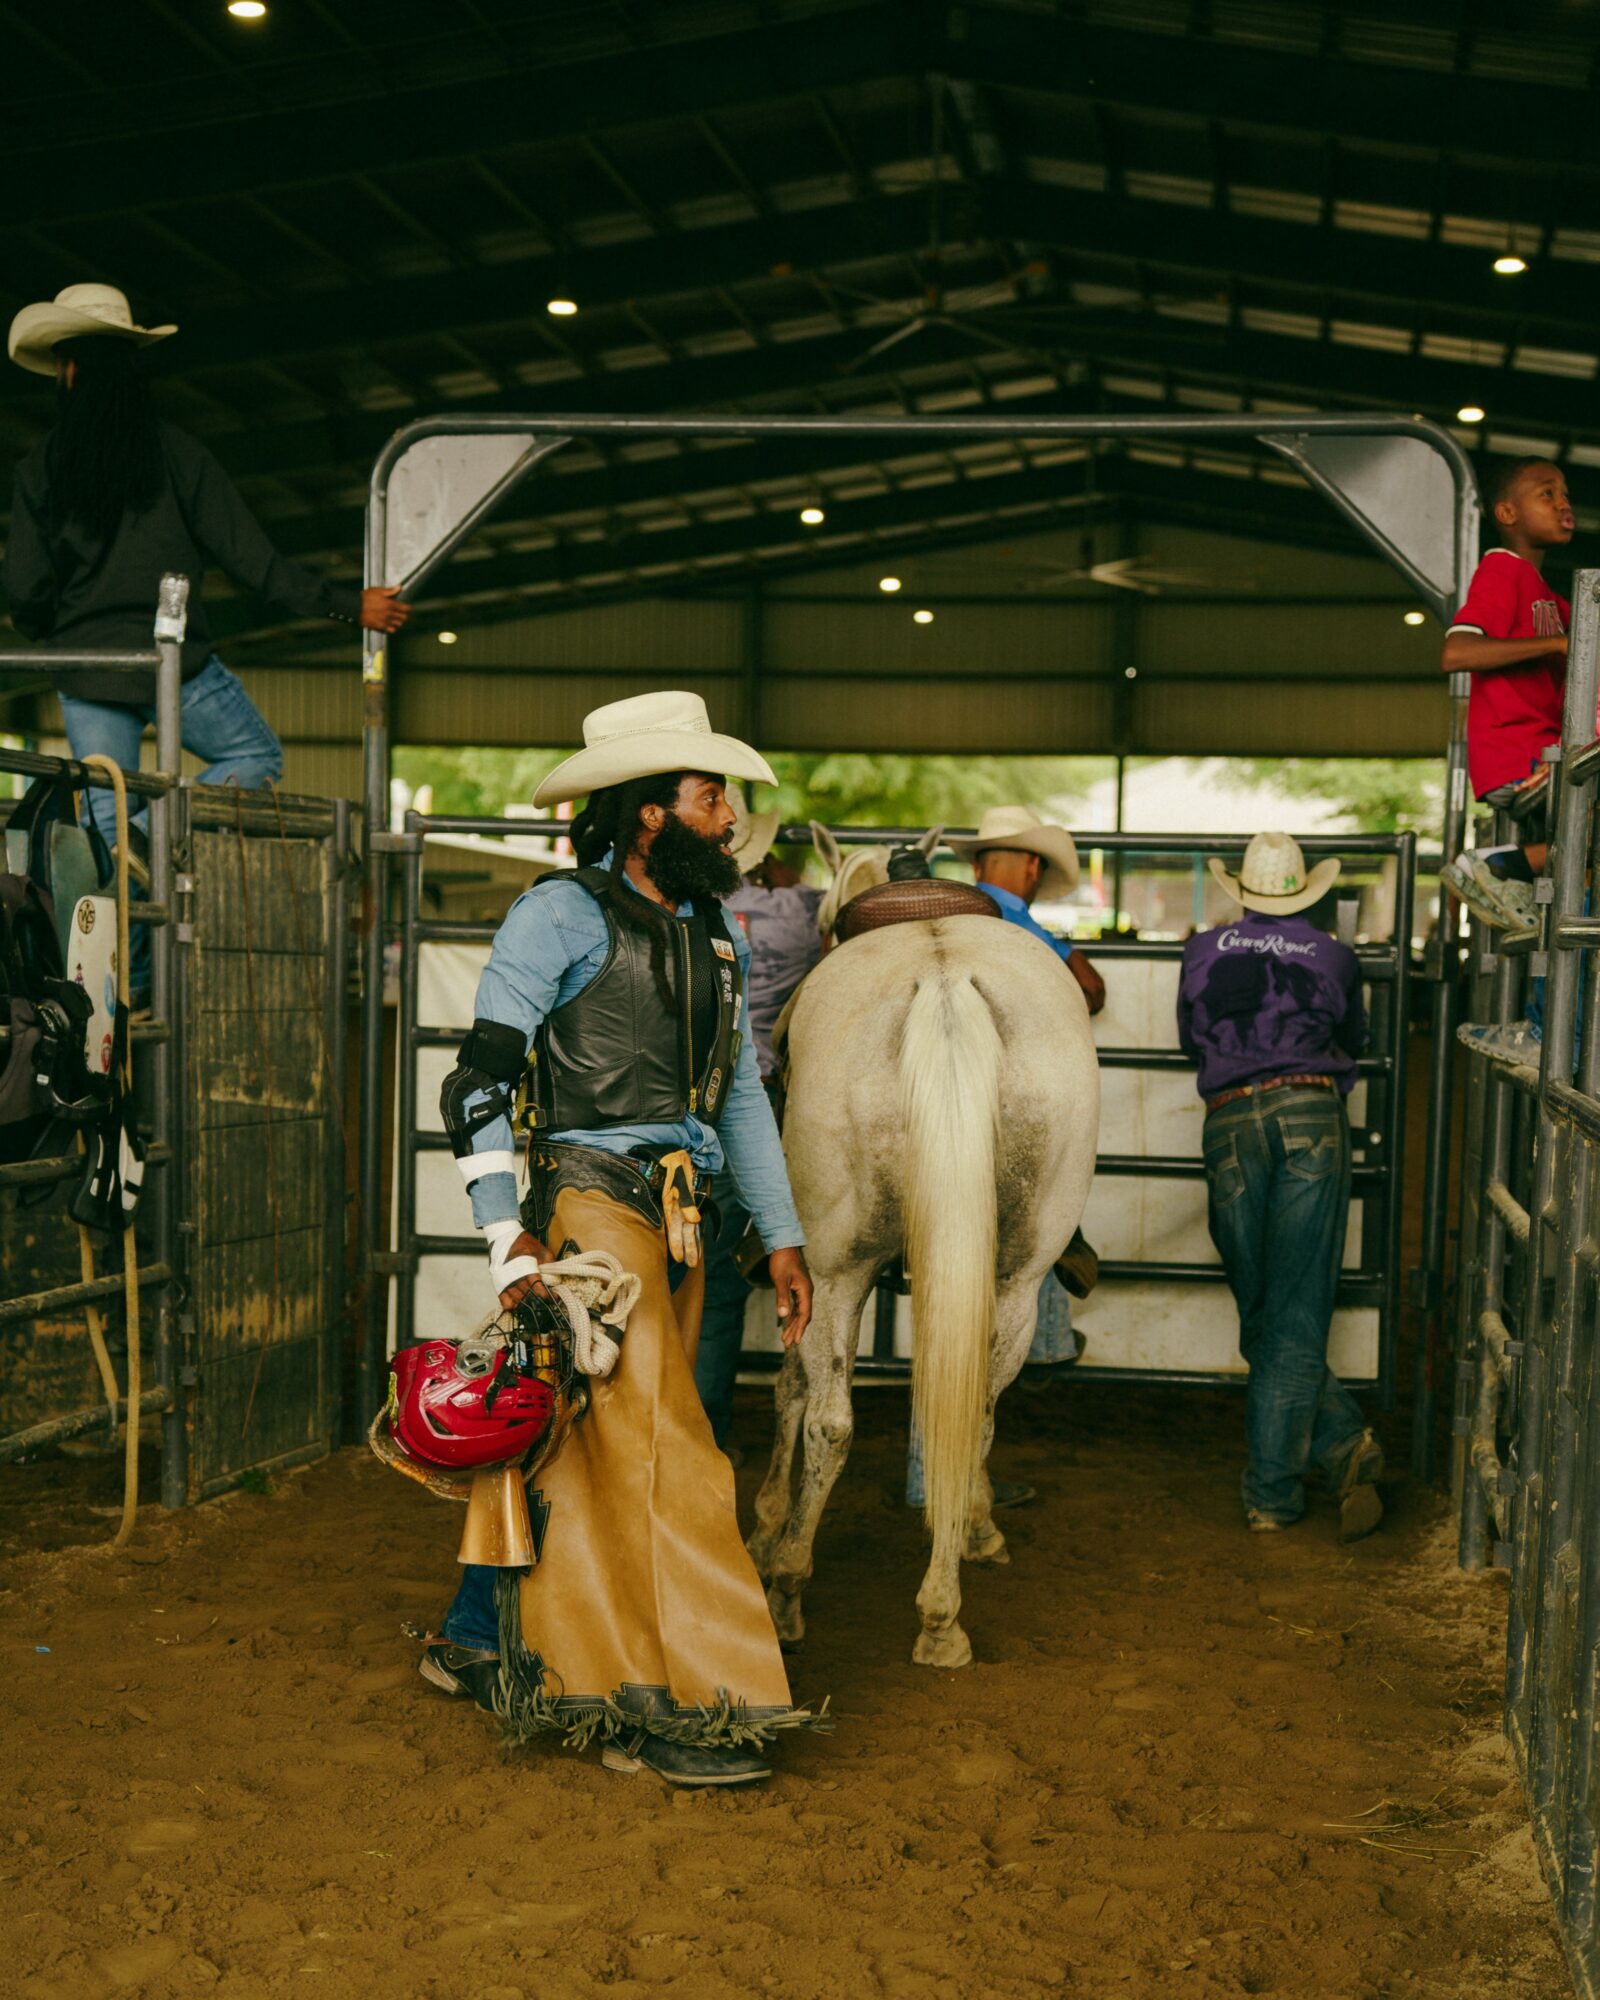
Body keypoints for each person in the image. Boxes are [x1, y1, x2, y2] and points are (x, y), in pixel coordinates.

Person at [430, 689, 822, 1788]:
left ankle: (485, 1635)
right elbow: (479, 1082)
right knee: (667, 1449)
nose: (731, 814)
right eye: (713, 796)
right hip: (591, 1208)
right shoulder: (557, 913)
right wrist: (508, 1241)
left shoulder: (707, 929)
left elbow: (736, 1089)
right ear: (650, 812)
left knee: (599, 1440)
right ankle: (685, 1695)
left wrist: (781, 1237)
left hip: (683, 1213)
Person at [2, 283, 409, 993]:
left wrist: (55, 634)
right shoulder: (178, 455)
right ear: (131, 368)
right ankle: (170, 831)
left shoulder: (40, 467)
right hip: (173, 664)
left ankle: (118, 1010)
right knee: (254, 756)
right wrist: (352, 606)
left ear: (67, 371)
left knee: (108, 847)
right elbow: (257, 565)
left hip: (90, 669)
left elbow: (26, 592)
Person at [1178, 831, 1382, 1541]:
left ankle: (1290, 1479)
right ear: (1305, 890)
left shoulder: (1202, 951)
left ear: (1243, 890)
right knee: (1291, 1310)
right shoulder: (1335, 956)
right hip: (1309, 1113)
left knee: (1261, 1305)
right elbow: (1354, 1039)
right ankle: (1329, 1452)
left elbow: (1190, 1039)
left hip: (1231, 1120)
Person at [693, 791, 822, 1451]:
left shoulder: (676, 915)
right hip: (757, 1100)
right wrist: (786, 878)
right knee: (717, 1284)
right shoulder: (797, 913)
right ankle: (707, 1431)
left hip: (675, 1112)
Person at [1441, 458, 1573, 1061]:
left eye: (1566, 494)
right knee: (1582, 862)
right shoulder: (1503, 570)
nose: (1564, 504)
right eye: (1547, 494)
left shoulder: (1549, 595)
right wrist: (1558, 642)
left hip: (1546, 750)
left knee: (1575, 890)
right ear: (1507, 513)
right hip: (1520, 753)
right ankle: (1493, 863)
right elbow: (1457, 651)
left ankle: (1543, 1029)